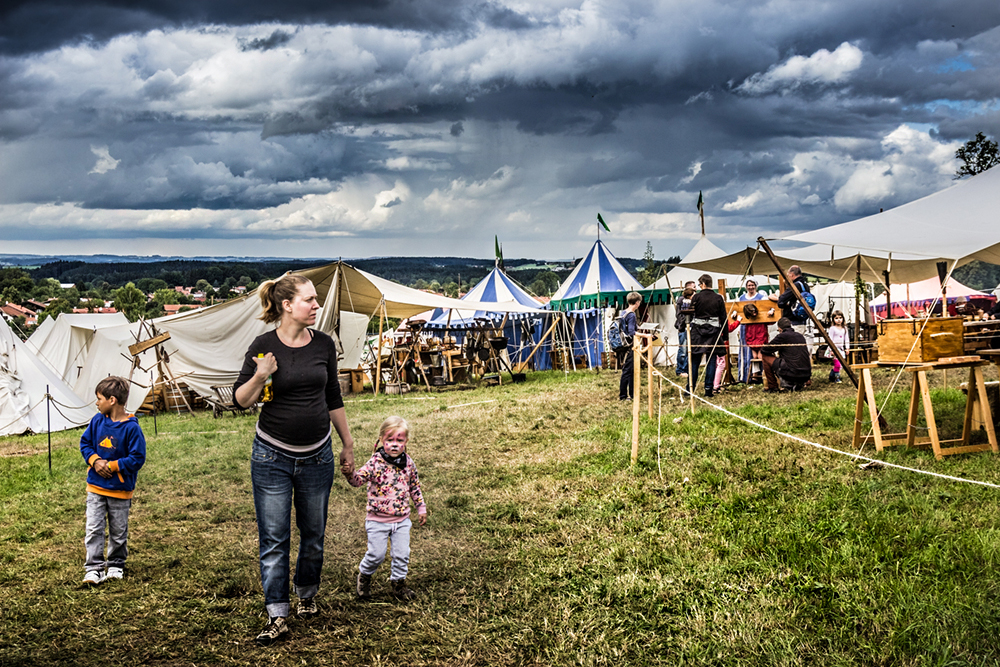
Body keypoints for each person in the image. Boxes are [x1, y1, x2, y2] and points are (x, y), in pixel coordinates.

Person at [233, 273, 356, 647]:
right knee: (274, 537)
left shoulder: (323, 344)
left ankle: (307, 594)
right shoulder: (263, 346)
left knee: (314, 534)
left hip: (317, 456)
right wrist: (261, 374)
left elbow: (333, 396)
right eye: (309, 300)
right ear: (287, 305)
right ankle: (277, 612)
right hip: (271, 455)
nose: (316, 306)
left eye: (316, 300)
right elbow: (241, 400)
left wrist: (347, 444)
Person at [344, 416, 427, 601]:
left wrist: (421, 507)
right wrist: (350, 474)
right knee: (376, 554)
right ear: (382, 440)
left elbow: (415, 486)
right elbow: (358, 481)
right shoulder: (375, 463)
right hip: (377, 520)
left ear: (406, 441)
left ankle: (398, 583)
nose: (395, 445)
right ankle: (364, 576)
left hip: (402, 520)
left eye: (399, 440)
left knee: (402, 554)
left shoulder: (408, 463)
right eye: (390, 440)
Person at [79, 376, 146, 586]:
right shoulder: (97, 421)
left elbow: (137, 458)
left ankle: (116, 564)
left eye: (99, 398)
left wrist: (113, 466)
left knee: (118, 530)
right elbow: (85, 443)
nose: (96, 403)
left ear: (112, 400)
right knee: (93, 528)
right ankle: (94, 568)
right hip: (96, 488)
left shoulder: (131, 428)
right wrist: (95, 461)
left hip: (119, 491)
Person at [687, 274, 727, 398]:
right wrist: (724, 335)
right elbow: (723, 318)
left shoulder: (696, 297)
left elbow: (690, 313)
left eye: (699, 284)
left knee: (695, 361)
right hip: (713, 332)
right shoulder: (718, 298)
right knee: (711, 360)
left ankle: (690, 388)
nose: (699, 287)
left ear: (703, 284)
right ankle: (708, 389)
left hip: (698, 332)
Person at [761, 317, 812, 392]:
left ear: (780, 328)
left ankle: (772, 386)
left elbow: (765, 349)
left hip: (792, 373)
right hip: (805, 375)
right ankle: (799, 382)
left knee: (765, 357)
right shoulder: (800, 336)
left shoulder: (782, 336)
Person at [737, 279, 769, 383]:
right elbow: (738, 311)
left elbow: (767, 309)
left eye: (752, 285)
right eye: (749, 285)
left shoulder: (761, 297)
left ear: (756, 286)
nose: (751, 287)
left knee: (760, 354)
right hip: (746, 328)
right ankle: (748, 375)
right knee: (748, 353)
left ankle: (763, 374)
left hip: (759, 328)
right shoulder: (741, 298)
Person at [617, 292, 643, 401]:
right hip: (630, 346)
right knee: (627, 370)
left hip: (623, 345)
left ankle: (632, 394)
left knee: (630, 370)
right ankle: (623, 395)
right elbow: (632, 332)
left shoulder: (624, 312)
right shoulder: (631, 315)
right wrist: (646, 335)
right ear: (637, 303)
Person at [712, 311, 743, 393]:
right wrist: (738, 321)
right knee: (721, 364)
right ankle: (716, 386)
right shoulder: (721, 316)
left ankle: (713, 384)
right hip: (722, 343)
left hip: (712, 341)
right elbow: (728, 328)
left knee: (715, 363)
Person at [674, 281, 696, 378]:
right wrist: (683, 324)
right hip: (683, 328)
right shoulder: (681, 300)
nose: (695, 289)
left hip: (692, 327)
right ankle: (680, 370)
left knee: (689, 350)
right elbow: (679, 315)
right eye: (693, 288)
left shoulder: (695, 300)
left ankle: (687, 369)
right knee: (683, 350)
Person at [826, 310, 850, 383]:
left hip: (841, 349)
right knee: (837, 364)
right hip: (834, 349)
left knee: (841, 365)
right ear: (833, 319)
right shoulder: (832, 328)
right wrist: (832, 349)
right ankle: (837, 378)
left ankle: (832, 375)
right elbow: (830, 339)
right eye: (836, 318)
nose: (839, 320)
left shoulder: (844, 328)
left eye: (840, 318)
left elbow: (846, 338)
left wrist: (847, 348)